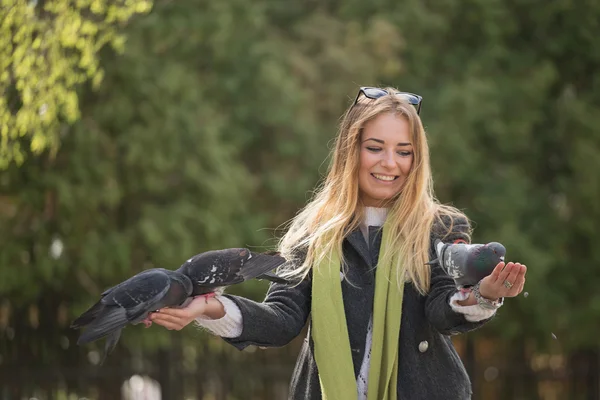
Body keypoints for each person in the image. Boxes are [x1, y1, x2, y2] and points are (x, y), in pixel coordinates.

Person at [149, 86, 527, 400]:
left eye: (404, 151)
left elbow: (442, 312)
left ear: (417, 158)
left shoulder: (440, 226)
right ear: (351, 149)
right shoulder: (314, 230)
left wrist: (483, 295)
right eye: (375, 147)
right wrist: (209, 307)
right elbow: (282, 320)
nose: (390, 163)